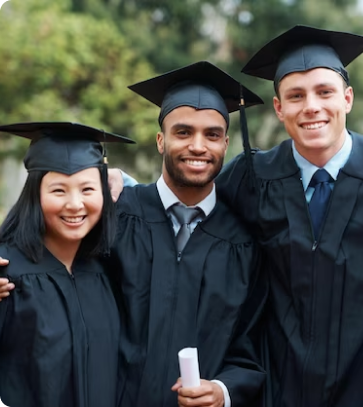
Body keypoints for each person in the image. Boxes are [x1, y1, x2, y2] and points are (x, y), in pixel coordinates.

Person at [214, 25, 363, 407]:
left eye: (324, 92)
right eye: (295, 96)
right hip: (281, 385)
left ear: (347, 98)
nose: (311, 106)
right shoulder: (251, 178)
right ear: (278, 108)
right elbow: (195, 221)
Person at [109, 61, 267, 407]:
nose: (198, 146)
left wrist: (224, 390)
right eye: (183, 133)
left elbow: (251, 344)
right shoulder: (116, 216)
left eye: (211, 135)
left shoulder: (244, 244)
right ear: (160, 141)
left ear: (226, 143)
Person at [0, 122, 134, 407]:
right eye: (58, 191)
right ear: (34, 195)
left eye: (87, 189)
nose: (75, 204)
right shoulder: (8, 276)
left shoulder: (110, 270)